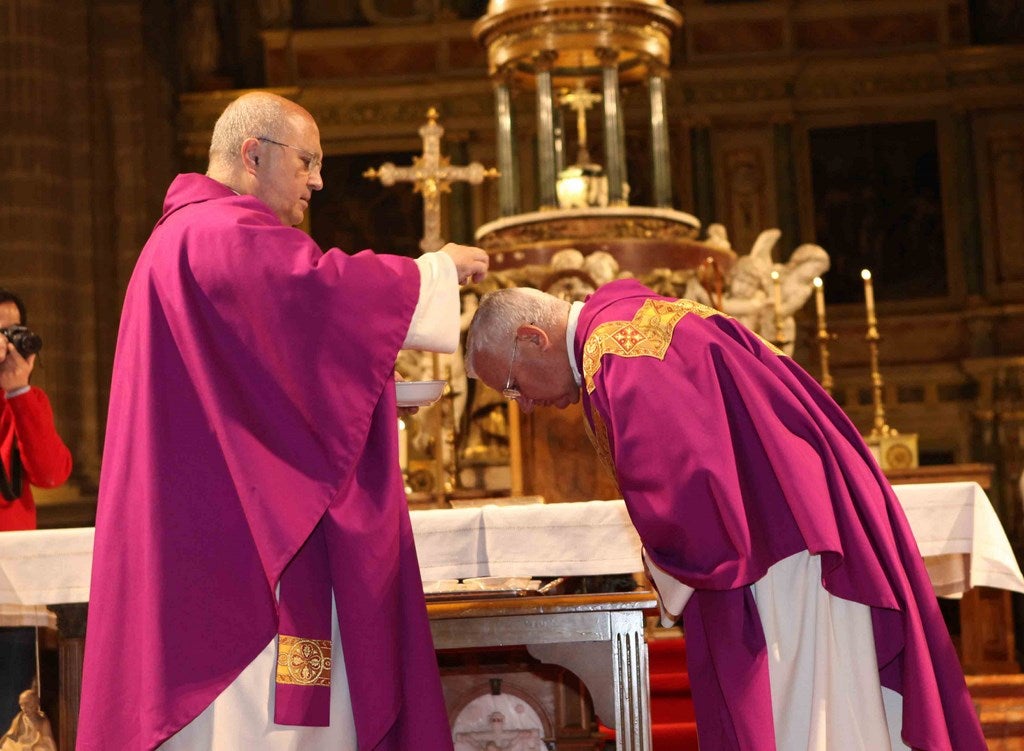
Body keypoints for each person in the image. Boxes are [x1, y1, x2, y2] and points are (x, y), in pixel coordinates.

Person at [77, 91, 489, 750]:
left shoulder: (177, 239)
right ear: (253, 154)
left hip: (204, 532)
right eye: (307, 161)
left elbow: (259, 384)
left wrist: (372, 390)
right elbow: (316, 295)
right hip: (231, 552)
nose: (319, 181)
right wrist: (434, 273)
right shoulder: (219, 232)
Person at [464, 280, 986, 751]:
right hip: (799, 528)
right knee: (841, 696)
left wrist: (664, 567)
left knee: (808, 713)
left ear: (534, 338)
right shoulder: (629, 320)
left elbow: (685, 487)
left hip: (779, 553)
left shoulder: (616, 353)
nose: (523, 407)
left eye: (511, 386)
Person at [0, 289, 72, 732]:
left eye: (12, 333)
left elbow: (51, 473)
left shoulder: (27, 399)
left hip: (11, 593)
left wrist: (20, 391)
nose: (5, 346)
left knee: (9, 711)